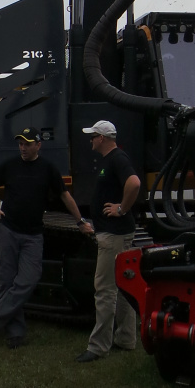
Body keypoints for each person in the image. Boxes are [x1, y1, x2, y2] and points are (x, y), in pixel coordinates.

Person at [0, 127, 93, 348]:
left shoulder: (47, 169)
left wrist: (80, 222)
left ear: (38, 145)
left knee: (28, 280)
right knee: (6, 282)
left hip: (33, 235)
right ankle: (15, 334)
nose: (23, 147)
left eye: (27, 144)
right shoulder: (10, 165)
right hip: (8, 230)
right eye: (20, 143)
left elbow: (65, 195)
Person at [75, 119, 140, 362]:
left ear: (102, 138)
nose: (90, 140)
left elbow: (134, 183)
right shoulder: (111, 160)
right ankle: (126, 338)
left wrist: (121, 209)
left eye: (92, 136)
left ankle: (98, 346)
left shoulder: (117, 159)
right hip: (114, 233)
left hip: (114, 234)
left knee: (104, 289)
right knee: (123, 287)